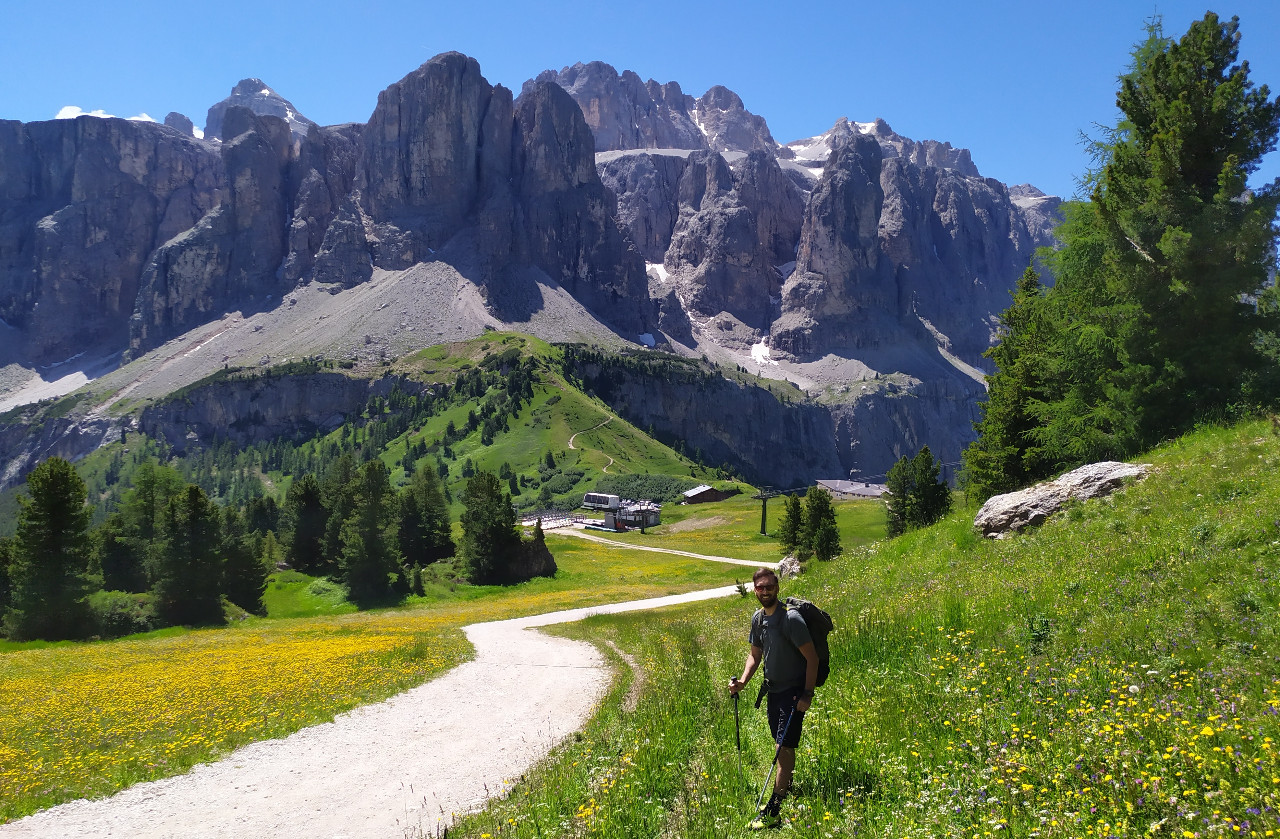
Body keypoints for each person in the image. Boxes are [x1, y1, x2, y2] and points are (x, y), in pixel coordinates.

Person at [728, 567, 819, 829]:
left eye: (769, 586)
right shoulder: (758, 618)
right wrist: (743, 681)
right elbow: (755, 655)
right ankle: (786, 784)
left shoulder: (791, 620)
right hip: (773, 692)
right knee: (780, 743)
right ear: (755, 590)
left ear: (777, 587)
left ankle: (773, 811)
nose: (765, 591)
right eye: (760, 587)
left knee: (783, 747)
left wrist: (807, 695)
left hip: (793, 693)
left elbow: (811, 659)